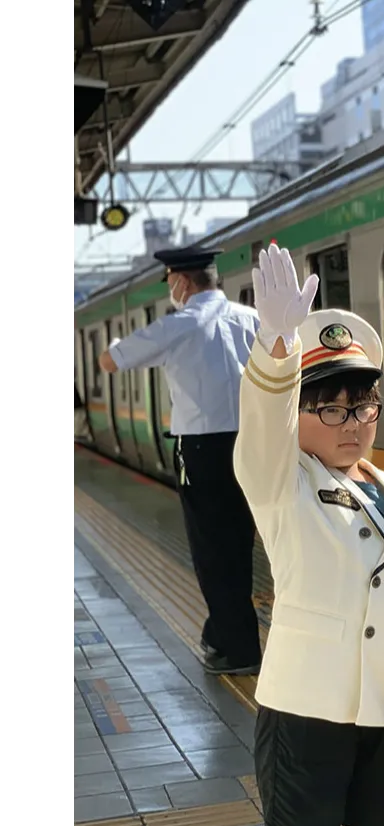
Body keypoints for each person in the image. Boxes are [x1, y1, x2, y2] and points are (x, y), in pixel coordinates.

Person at [235, 244, 384, 826]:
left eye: (364, 406)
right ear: (298, 416)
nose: (355, 424)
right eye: (333, 409)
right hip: (307, 706)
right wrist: (276, 349)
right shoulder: (279, 480)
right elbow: (262, 421)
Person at [98, 244, 263, 676]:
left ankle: (236, 647)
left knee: (212, 548)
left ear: (182, 281)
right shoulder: (251, 320)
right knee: (241, 542)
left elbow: (109, 361)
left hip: (203, 451)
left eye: (170, 280)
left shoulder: (179, 325)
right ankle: (224, 632)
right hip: (253, 444)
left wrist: (118, 342)